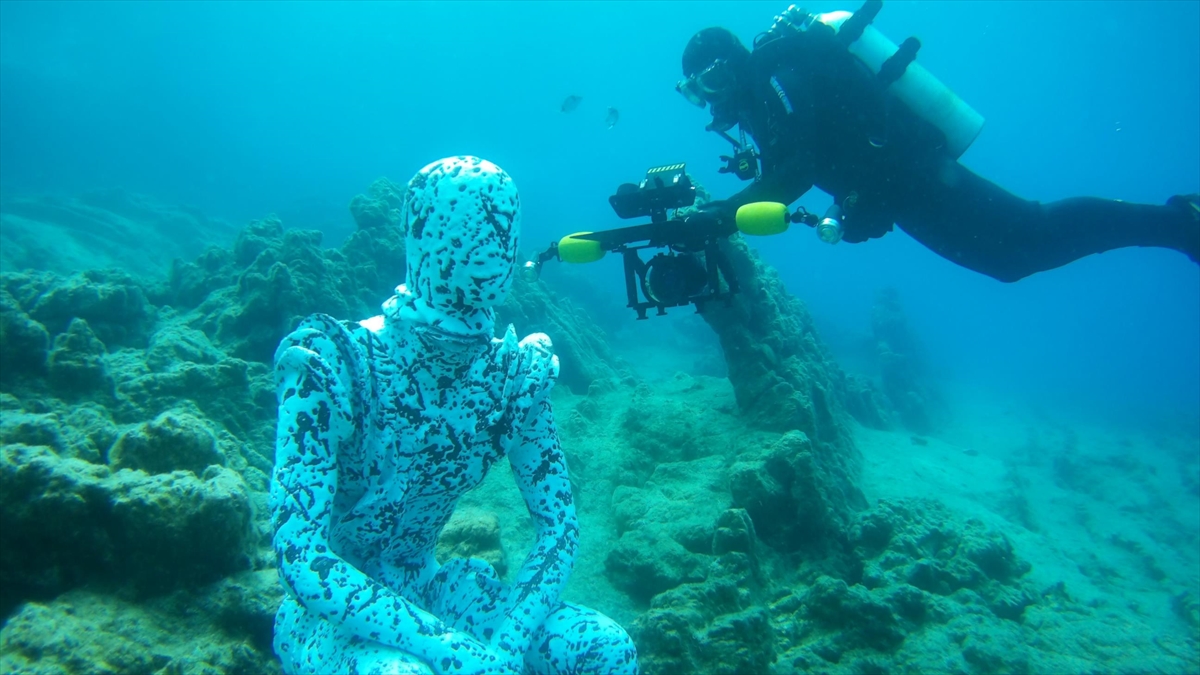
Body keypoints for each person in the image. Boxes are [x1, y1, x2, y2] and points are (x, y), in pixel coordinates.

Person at [269, 155, 639, 675]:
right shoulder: (333, 364)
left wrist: (506, 646)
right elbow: (301, 554)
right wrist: (454, 650)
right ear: (419, 230)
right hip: (333, 617)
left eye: (503, 222)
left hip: (432, 588)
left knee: (606, 649)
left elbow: (559, 527)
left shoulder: (513, 375)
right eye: (470, 222)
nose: (492, 241)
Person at [676, 2, 1200, 283]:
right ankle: (1177, 225)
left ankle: (1181, 221)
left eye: (713, 84)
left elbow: (798, 170)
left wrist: (723, 215)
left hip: (915, 173)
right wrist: (852, 201)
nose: (712, 102)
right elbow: (814, 159)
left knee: (1030, 230)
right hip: (896, 189)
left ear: (734, 65)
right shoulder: (764, 102)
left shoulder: (777, 79)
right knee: (1010, 262)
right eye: (697, 95)